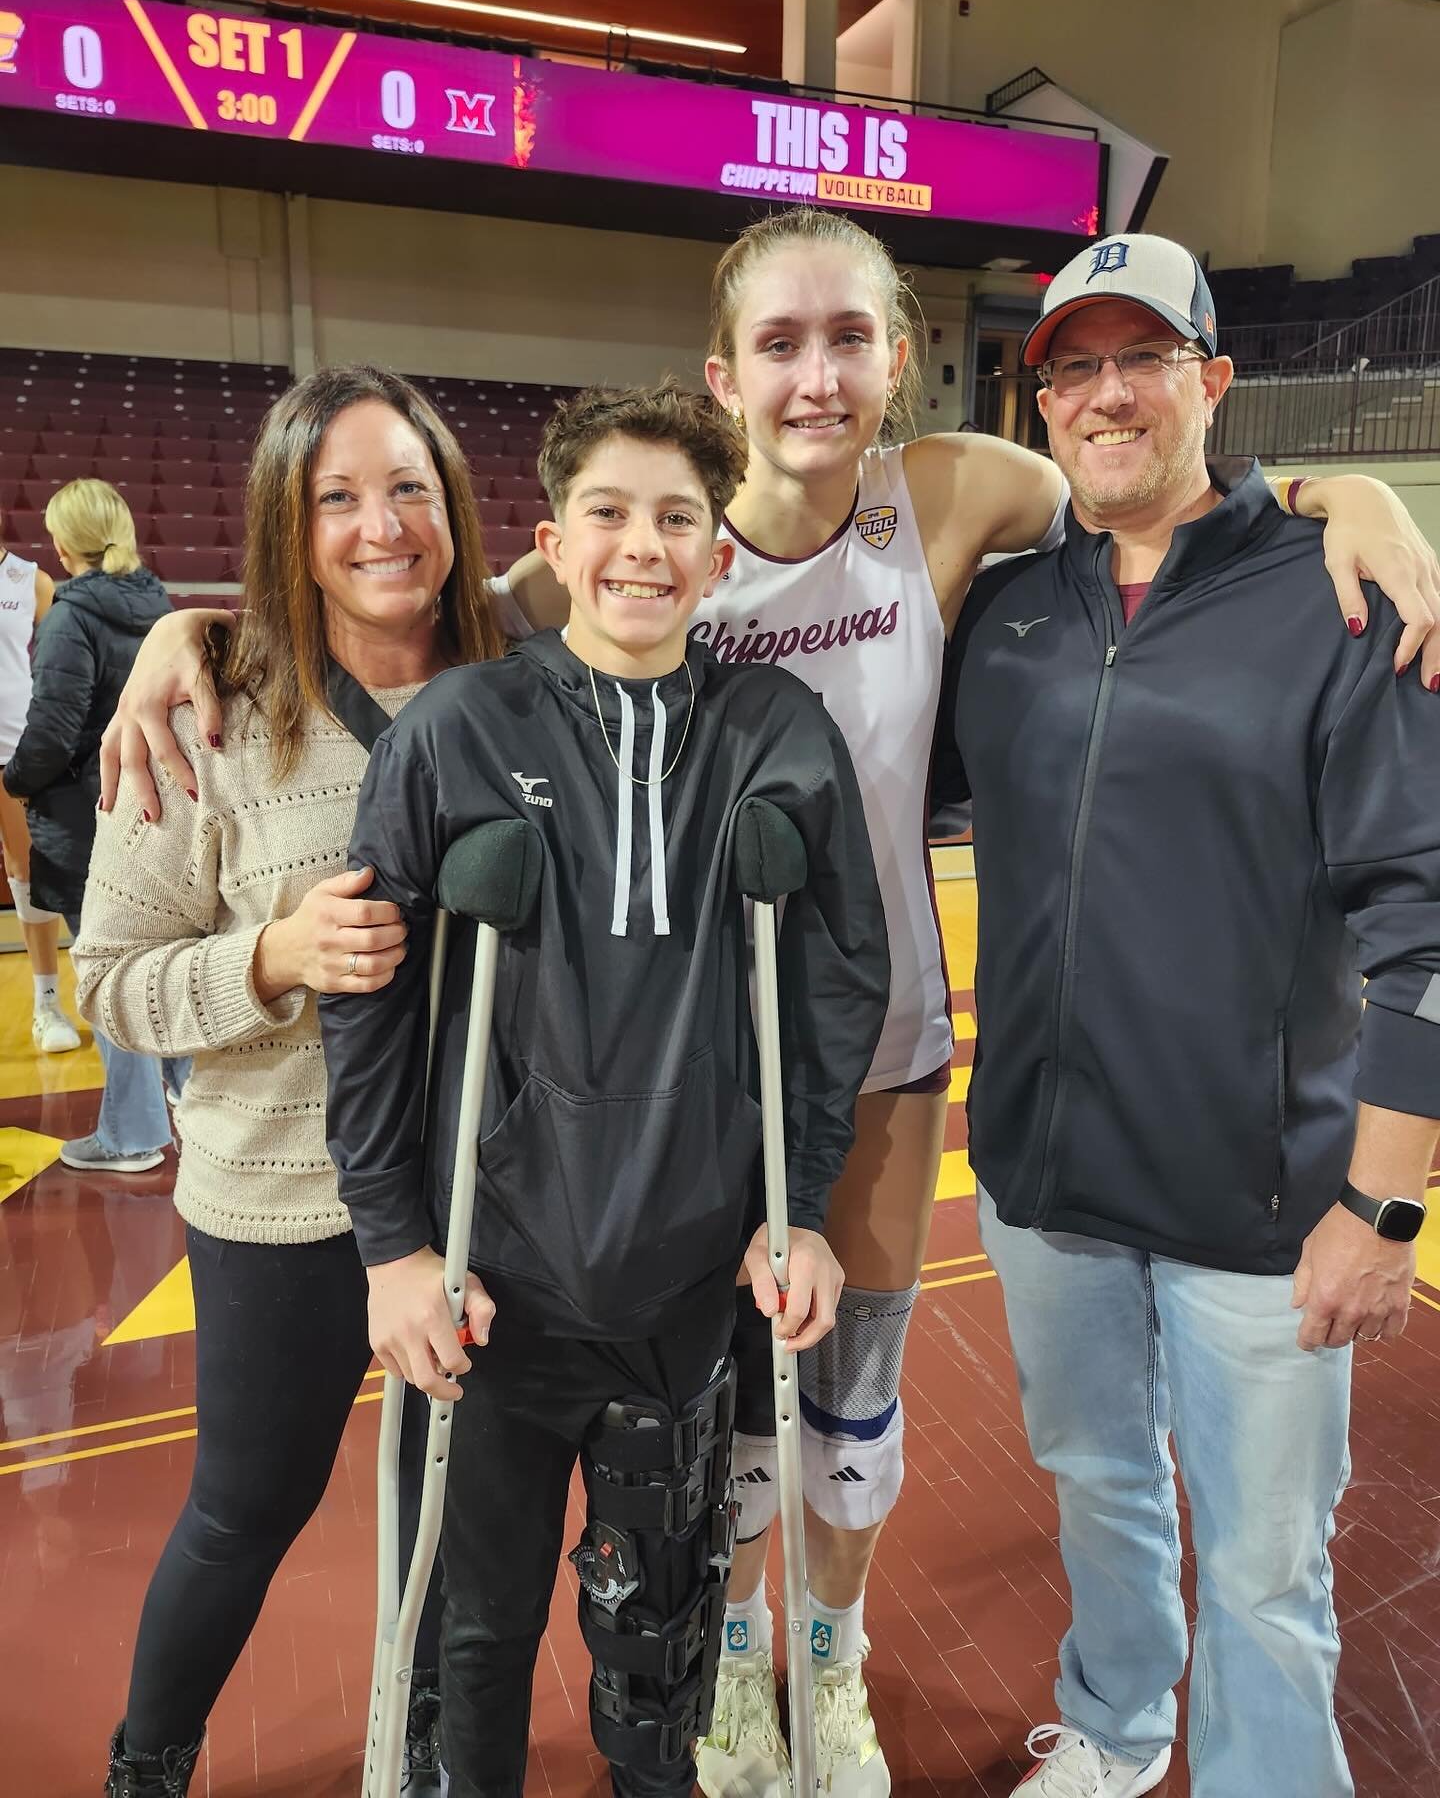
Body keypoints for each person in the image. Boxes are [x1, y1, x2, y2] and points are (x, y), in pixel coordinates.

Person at [98, 212, 1440, 1798]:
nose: (818, 377)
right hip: (613, 1113)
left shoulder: (947, 500)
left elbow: (1168, 484)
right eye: (780, 346)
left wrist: (1355, 500)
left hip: (866, 1067)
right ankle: (728, 1662)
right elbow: (418, 613)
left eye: (851, 340)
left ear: (899, 361)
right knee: (699, 1439)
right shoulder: (609, 559)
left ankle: (829, 1658)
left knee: (846, 1405)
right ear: (724, 374)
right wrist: (179, 633)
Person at [320, 384, 889, 1798]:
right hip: (492, 1277)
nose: (644, 548)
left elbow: (829, 993)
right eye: (611, 516)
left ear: (720, 556)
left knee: (660, 1635)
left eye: (678, 519)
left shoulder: (777, 731)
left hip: (690, 1285)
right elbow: (373, 1008)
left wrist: (800, 1210)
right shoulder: (456, 731)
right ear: (553, 544)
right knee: (480, 1627)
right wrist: (394, 1245)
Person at [944, 233, 1440, 1798]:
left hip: (1267, 1207)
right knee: (1100, 1486)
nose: (1107, 395)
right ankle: (1113, 1725)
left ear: (1213, 380)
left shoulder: (1339, 596)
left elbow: (1424, 924)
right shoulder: (1005, 612)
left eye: (1143, 357)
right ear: (1041, 409)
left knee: (1270, 1571)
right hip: (1047, 1181)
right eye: (1073, 367)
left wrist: (1387, 1205)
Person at [73, 366, 512, 1797]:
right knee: (244, 1509)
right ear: (285, 521)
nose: (382, 526)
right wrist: (270, 956)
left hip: (490, 1196)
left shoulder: (526, 688)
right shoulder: (205, 721)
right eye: (337, 497)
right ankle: (150, 1760)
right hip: (282, 1202)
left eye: (408, 487)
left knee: (454, 1510)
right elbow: (110, 983)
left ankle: (437, 1746)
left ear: (454, 504)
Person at [3, 479, 185, 1169]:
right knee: (154, 964)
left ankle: (132, 1133)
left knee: (109, 972)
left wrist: (16, 781)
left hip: (88, 819)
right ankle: (183, 1099)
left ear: (60, 543)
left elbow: (50, 731)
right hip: (155, 808)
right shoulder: (158, 603)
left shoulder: (71, 616)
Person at [0, 504, 81, 1052]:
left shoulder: (31, 580)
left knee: (28, 871)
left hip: (12, 747)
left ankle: (48, 1002)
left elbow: (56, 664)